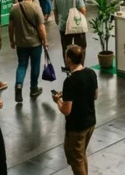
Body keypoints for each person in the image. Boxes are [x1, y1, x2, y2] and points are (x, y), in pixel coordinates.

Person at [54, 45, 99, 175]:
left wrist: (58, 100)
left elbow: (66, 110)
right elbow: (95, 95)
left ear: (68, 60)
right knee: (81, 155)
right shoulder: (91, 73)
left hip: (77, 127)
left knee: (75, 159)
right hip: (90, 122)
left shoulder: (70, 81)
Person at [9, 0, 48, 103]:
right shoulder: (36, 8)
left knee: (22, 65)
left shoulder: (14, 8)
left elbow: (11, 27)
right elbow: (41, 28)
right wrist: (45, 41)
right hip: (35, 43)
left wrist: (12, 40)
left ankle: (18, 86)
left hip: (21, 43)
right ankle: (33, 88)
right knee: (35, 65)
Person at [54, 0, 87, 68]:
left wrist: (58, 21)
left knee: (66, 48)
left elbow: (55, 11)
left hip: (63, 25)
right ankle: (80, 66)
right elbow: (82, 9)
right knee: (81, 47)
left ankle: (68, 66)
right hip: (76, 24)